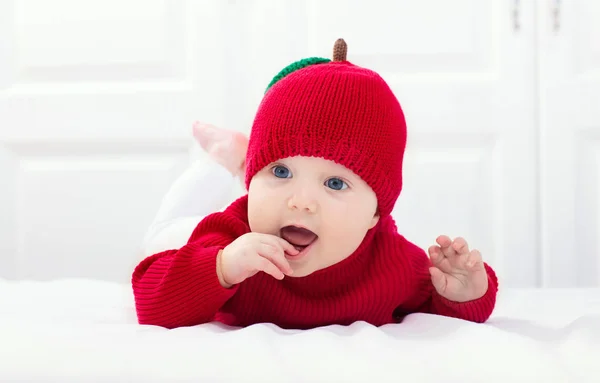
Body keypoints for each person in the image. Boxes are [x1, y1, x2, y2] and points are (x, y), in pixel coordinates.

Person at [132, 39, 499, 330]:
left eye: (336, 183)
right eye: (280, 172)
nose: (301, 202)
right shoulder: (233, 235)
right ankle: (227, 158)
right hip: (187, 235)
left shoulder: (390, 260)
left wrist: (467, 294)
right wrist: (223, 267)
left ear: (374, 213)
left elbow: (439, 307)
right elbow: (150, 300)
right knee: (162, 233)